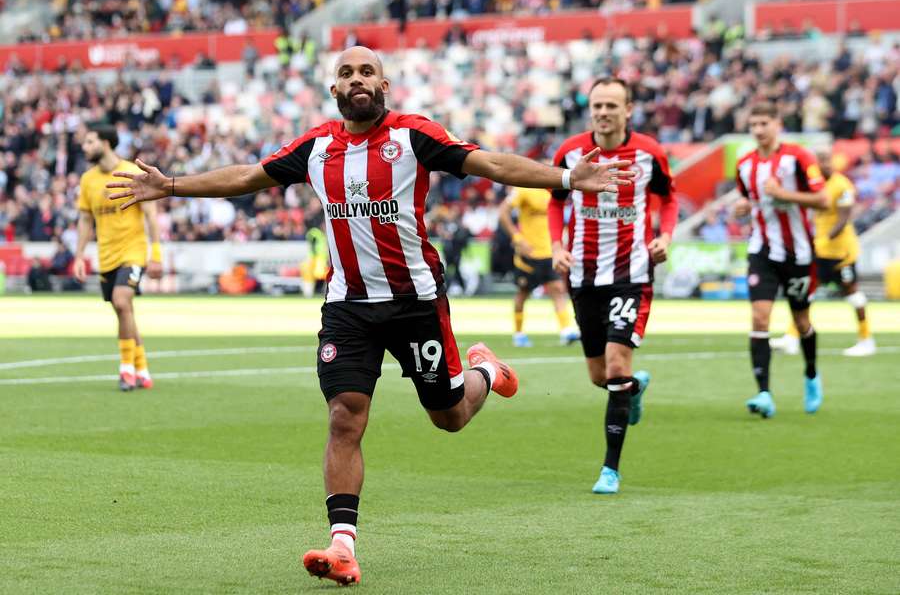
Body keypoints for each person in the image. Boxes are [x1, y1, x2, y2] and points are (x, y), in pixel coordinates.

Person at [106, 46, 633, 587]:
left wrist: (566, 180)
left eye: (366, 72)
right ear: (334, 90)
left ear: (385, 84)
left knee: (448, 417)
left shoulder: (414, 136)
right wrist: (169, 185)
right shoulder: (315, 149)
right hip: (348, 306)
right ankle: (342, 546)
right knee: (344, 415)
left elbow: (492, 164)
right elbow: (248, 176)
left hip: (415, 303)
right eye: (345, 73)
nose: (356, 80)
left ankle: (486, 372)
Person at [549, 77, 679, 495]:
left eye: (611, 105)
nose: (603, 112)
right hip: (584, 275)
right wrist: (556, 245)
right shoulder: (571, 152)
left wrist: (665, 236)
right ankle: (634, 389)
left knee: (617, 366)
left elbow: (670, 197)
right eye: (597, 105)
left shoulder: (649, 152)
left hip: (631, 273)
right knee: (599, 375)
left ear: (628, 110)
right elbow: (555, 200)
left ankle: (610, 470)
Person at [731, 102, 827, 419]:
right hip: (762, 251)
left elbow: (823, 199)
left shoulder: (798, 157)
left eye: (764, 123)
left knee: (802, 321)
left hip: (798, 254)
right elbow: (747, 197)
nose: (758, 130)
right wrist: (742, 207)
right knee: (760, 318)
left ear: (778, 124)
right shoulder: (744, 163)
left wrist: (786, 195)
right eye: (753, 124)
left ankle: (811, 374)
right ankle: (764, 393)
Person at [74, 124, 163, 392]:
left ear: (105, 143)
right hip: (107, 255)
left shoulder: (132, 172)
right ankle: (142, 369)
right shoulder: (88, 180)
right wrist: (79, 255)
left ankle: (126, 371)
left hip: (133, 251)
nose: (84, 147)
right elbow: (85, 220)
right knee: (124, 312)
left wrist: (156, 254)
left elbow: (150, 214)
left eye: (89, 142)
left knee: (121, 301)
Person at [770, 148, 876, 357]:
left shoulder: (842, 185)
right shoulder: (814, 186)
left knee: (853, 294)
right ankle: (791, 338)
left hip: (841, 253)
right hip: (820, 251)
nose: (825, 165)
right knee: (805, 292)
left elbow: (843, 218)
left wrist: (824, 238)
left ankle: (866, 340)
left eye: (828, 161)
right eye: (821, 162)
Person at [498, 184, 579, 347]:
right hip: (529, 253)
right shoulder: (523, 189)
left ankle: (566, 330)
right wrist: (517, 238)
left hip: (549, 252)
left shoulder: (555, 191)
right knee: (523, 293)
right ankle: (519, 333)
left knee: (557, 288)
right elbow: (503, 212)